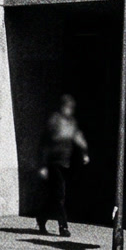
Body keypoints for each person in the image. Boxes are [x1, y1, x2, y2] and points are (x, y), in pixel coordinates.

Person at [36, 93, 89, 238]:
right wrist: (42, 166)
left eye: (71, 107)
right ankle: (63, 227)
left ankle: (41, 217)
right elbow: (45, 143)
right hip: (53, 163)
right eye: (67, 107)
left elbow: (78, 137)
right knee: (59, 195)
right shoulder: (54, 120)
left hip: (66, 163)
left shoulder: (71, 123)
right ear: (62, 107)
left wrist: (84, 152)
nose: (69, 110)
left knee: (56, 196)